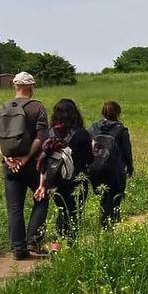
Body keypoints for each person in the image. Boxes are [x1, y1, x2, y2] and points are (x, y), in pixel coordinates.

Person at [0, 72, 50, 260]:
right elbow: (41, 137)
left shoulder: (2, 108)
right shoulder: (37, 107)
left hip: (10, 165)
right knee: (42, 198)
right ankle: (33, 240)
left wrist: (6, 157)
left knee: (14, 207)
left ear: (15, 87)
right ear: (31, 87)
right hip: (33, 164)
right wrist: (26, 157)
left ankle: (18, 248)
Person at [35, 99, 92, 245]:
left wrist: (43, 184)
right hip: (77, 179)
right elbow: (89, 158)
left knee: (61, 210)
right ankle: (70, 245)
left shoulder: (49, 134)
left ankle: (58, 244)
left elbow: (44, 161)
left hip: (56, 180)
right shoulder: (82, 134)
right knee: (74, 213)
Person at [88, 101, 133, 229]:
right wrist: (130, 167)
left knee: (104, 195)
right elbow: (127, 151)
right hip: (115, 168)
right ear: (118, 113)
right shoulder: (121, 130)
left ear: (102, 113)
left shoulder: (93, 128)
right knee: (115, 195)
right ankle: (110, 222)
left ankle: (105, 221)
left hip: (96, 167)